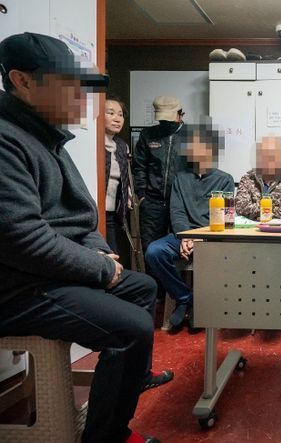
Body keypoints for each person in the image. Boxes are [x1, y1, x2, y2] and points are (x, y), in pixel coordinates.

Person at [0, 32, 169, 443]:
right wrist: (99, 268)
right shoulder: (6, 140)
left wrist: (99, 253)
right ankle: (108, 437)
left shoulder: (47, 138)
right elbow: (20, 237)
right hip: (18, 287)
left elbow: (79, 219)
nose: (81, 97)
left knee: (143, 287)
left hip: (45, 274)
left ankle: (132, 379)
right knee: (132, 327)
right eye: (69, 84)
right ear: (23, 81)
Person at [145, 121, 235, 332]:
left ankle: (199, 303)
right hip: (182, 235)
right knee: (154, 252)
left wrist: (199, 238)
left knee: (223, 257)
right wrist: (186, 237)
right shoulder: (181, 178)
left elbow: (223, 219)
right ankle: (186, 298)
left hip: (211, 238)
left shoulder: (225, 180)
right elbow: (177, 211)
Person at [133, 95, 186, 250]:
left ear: (181, 115)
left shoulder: (192, 136)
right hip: (152, 203)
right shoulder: (147, 134)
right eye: (162, 120)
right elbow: (139, 167)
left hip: (180, 205)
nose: (166, 123)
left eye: (169, 119)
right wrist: (141, 195)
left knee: (182, 249)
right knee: (150, 250)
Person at [235, 135, 281, 220]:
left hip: (279, 228)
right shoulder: (247, 179)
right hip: (252, 228)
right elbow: (241, 209)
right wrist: (272, 207)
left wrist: (257, 209)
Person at [103, 94, 133, 263]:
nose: (117, 118)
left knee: (121, 257)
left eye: (120, 115)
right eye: (111, 113)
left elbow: (124, 177)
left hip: (117, 215)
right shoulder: (93, 145)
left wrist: (128, 194)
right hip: (99, 213)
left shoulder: (122, 146)